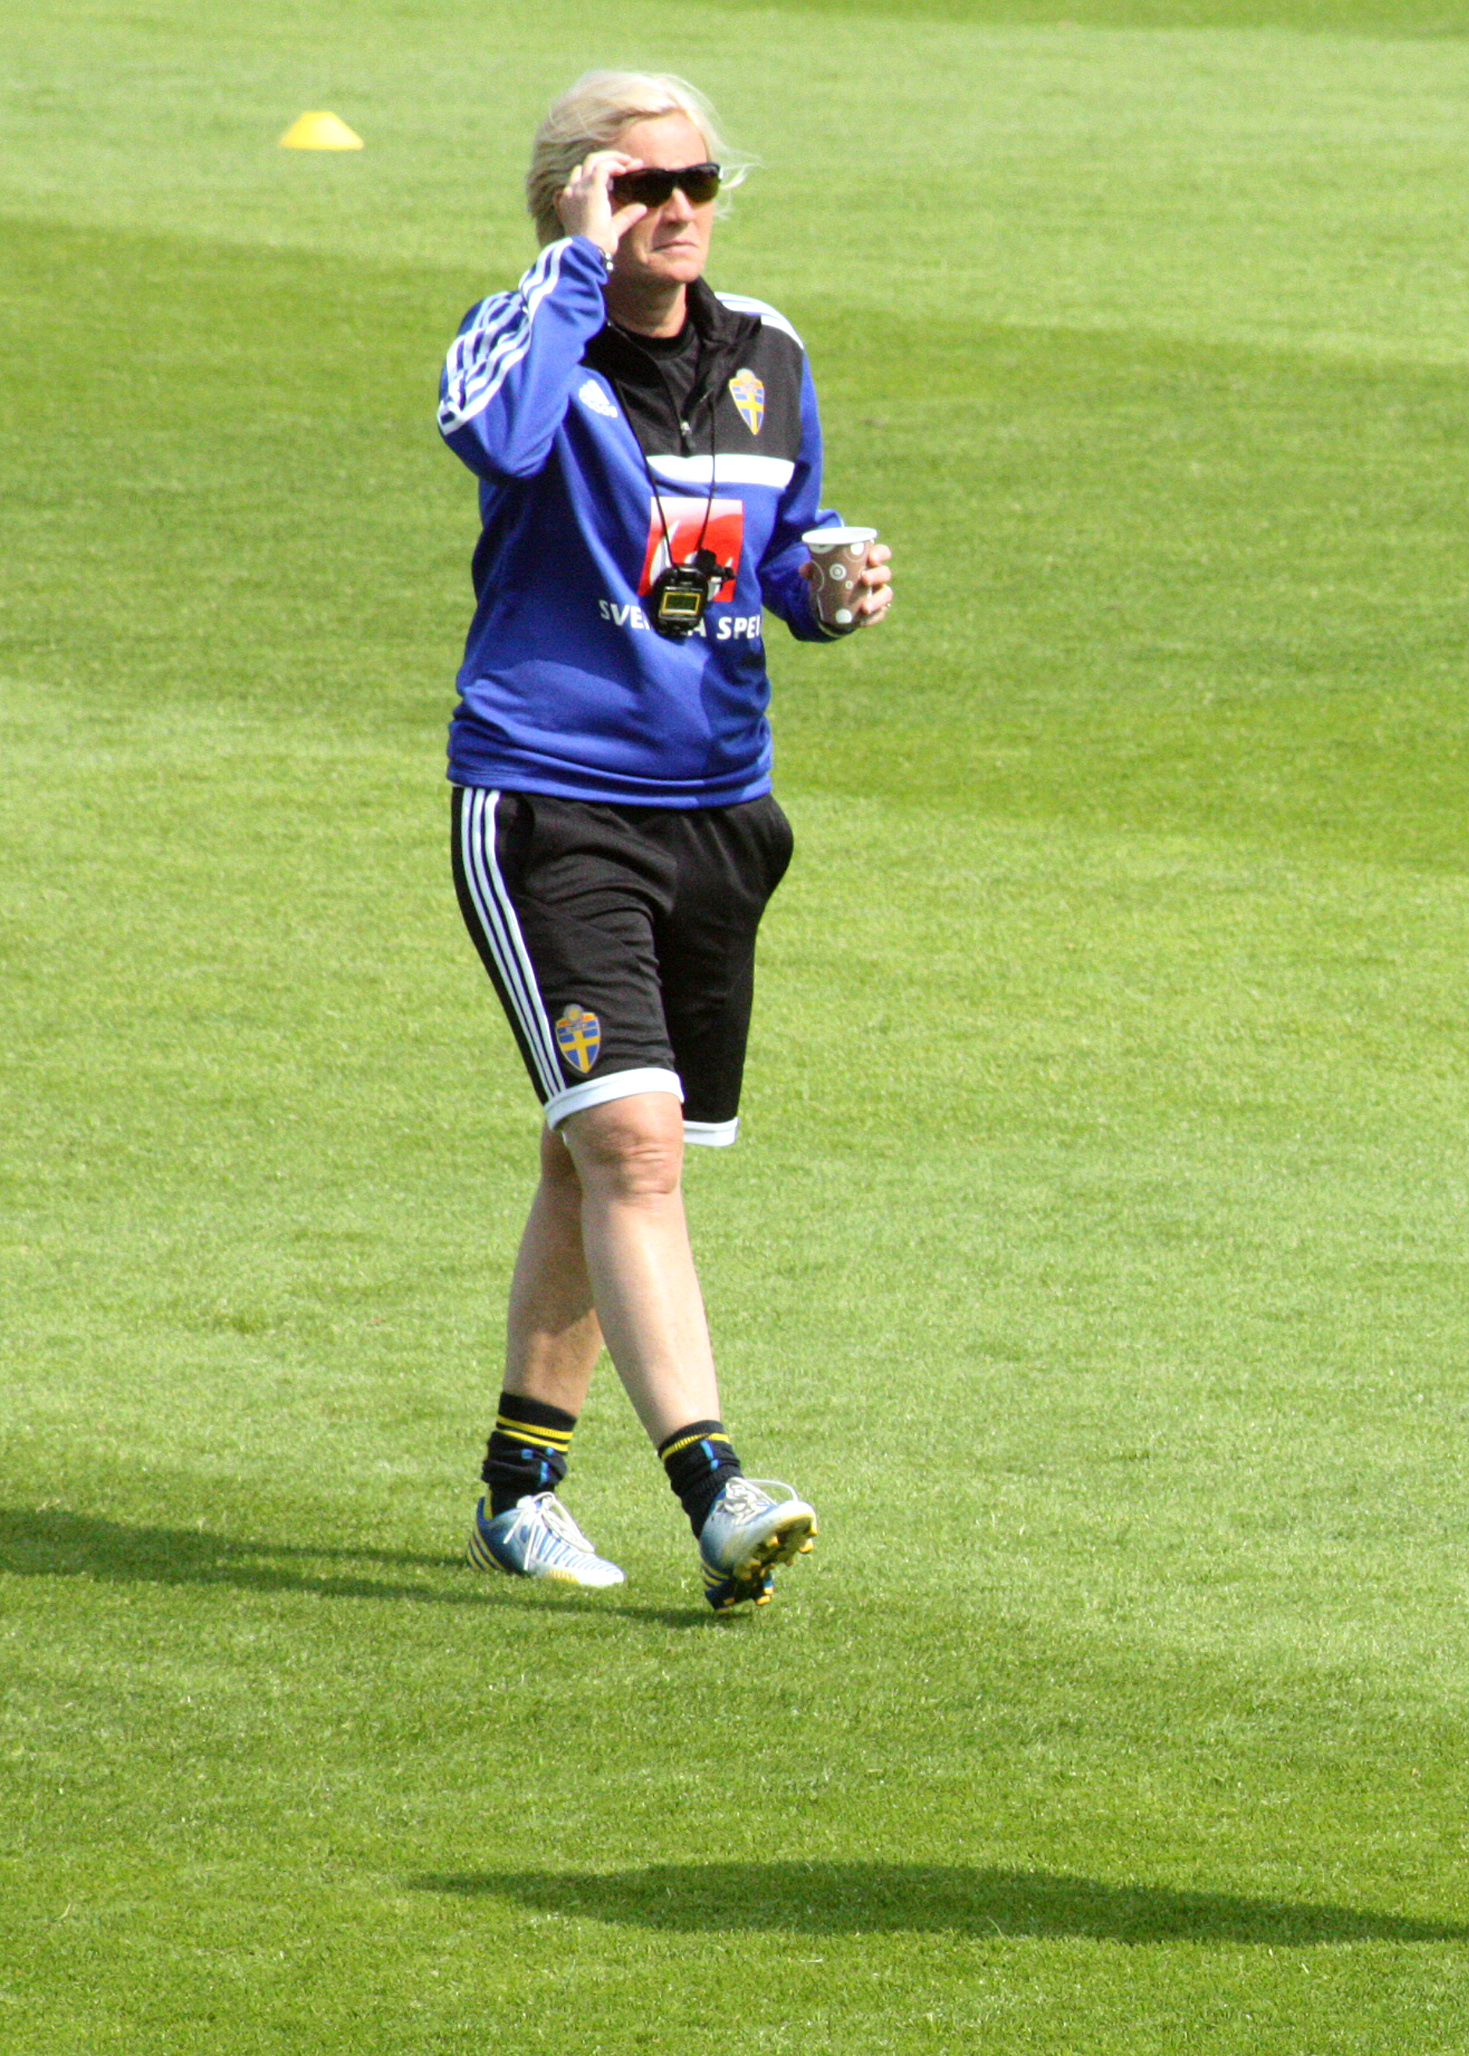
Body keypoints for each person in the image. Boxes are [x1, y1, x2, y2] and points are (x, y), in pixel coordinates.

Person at [436, 71, 891, 1610]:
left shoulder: (768, 351)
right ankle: (717, 1485)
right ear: (577, 195)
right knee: (626, 1143)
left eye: (697, 180)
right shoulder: (528, 334)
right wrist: (572, 263)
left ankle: (520, 1490)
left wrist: (824, 590)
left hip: (721, 813)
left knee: (600, 1147)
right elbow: (493, 437)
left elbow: (779, 548)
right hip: (552, 799)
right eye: (642, 186)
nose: (681, 208)